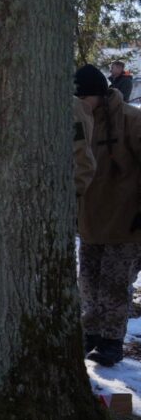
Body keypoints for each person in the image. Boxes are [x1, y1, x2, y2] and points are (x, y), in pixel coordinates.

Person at [74, 64, 141, 366]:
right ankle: (91, 335)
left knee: (114, 285)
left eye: (82, 97)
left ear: (98, 95)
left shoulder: (131, 119)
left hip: (126, 221)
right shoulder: (78, 120)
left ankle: (112, 342)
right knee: (88, 283)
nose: (78, 103)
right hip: (90, 220)